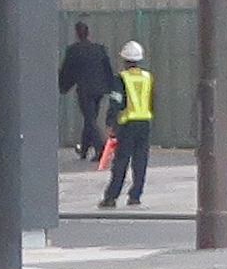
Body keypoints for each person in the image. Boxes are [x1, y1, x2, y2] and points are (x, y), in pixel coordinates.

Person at [102, 38, 159, 208]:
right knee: (140, 161)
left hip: (127, 124)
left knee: (121, 161)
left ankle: (111, 197)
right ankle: (135, 195)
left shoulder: (121, 78)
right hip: (145, 122)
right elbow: (152, 99)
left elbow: (116, 102)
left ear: (125, 60)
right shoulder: (148, 77)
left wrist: (111, 123)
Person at [59, 18, 118, 166]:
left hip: (85, 89)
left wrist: (63, 86)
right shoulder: (99, 49)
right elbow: (107, 68)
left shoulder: (73, 50)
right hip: (100, 89)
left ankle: (101, 149)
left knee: (90, 119)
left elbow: (67, 70)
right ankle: (84, 149)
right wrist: (110, 86)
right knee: (90, 118)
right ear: (89, 32)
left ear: (77, 33)